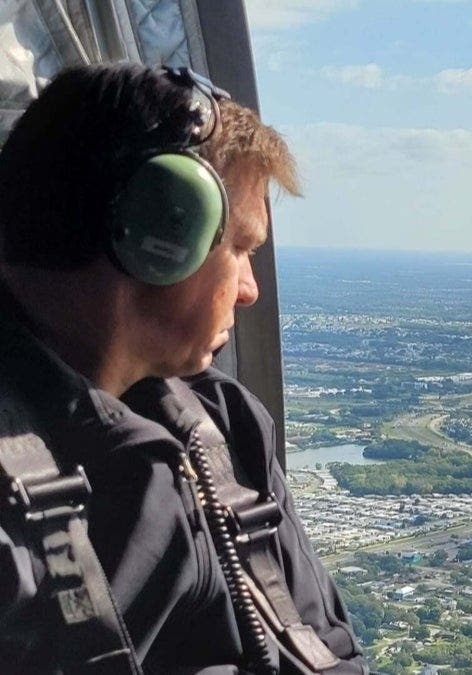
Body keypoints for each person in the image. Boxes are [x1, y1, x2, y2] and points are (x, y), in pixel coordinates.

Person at [0, 64, 367, 673]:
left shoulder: (223, 423)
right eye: (242, 249)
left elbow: (326, 645)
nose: (248, 290)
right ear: (161, 232)